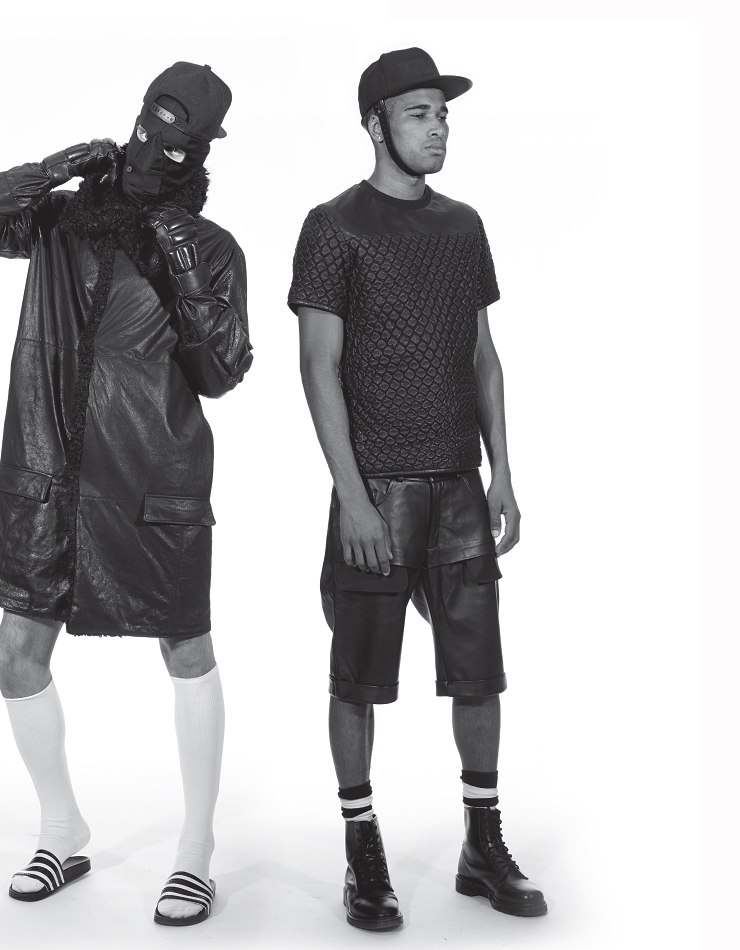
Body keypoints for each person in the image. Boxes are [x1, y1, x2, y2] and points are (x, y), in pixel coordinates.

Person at [288, 47, 547, 931]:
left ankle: (482, 842)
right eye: (418, 114)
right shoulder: (334, 227)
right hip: (380, 490)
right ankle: (363, 853)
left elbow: (482, 355)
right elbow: (317, 367)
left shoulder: (463, 225)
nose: (437, 129)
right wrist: (355, 497)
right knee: (358, 678)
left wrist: (501, 469)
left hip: (460, 488)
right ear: (375, 125)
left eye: (442, 113)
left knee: (479, 673)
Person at [0, 62, 252, 926]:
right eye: (151, 128)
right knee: (16, 652)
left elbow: (222, 371)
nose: (155, 151)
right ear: (136, 117)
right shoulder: (61, 220)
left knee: (186, 648)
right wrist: (57, 166)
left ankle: (195, 852)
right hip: (49, 475)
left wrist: (182, 262)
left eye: (179, 143)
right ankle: (61, 830)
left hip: (155, 475)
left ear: (203, 152)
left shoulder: (211, 246)